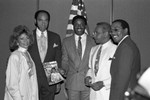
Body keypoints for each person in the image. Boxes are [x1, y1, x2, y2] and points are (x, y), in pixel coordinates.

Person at [28, 10, 62, 100]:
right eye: (40, 20)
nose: (43, 23)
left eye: (46, 20)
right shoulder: (28, 37)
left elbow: (57, 59)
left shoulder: (55, 37)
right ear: (35, 21)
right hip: (33, 78)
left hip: (50, 78)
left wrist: (57, 81)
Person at [61, 15, 96, 100]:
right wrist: (63, 70)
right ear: (73, 26)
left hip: (88, 82)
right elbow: (65, 60)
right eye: (77, 24)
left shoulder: (93, 41)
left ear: (85, 26)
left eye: (82, 24)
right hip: (72, 82)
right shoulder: (66, 41)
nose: (79, 26)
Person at [109, 19, 141, 100]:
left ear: (125, 30)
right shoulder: (125, 44)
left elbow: (122, 77)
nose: (113, 33)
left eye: (116, 29)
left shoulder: (125, 47)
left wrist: (116, 97)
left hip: (122, 94)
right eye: (111, 30)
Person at [4, 25, 38, 100]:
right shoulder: (14, 57)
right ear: (16, 41)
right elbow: (12, 85)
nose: (26, 41)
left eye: (27, 38)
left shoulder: (27, 54)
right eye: (22, 39)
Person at [85, 22, 117, 100]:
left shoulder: (116, 49)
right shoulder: (93, 49)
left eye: (96, 33)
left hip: (107, 93)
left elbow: (119, 74)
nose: (93, 35)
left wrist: (103, 83)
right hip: (93, 94)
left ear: (106, 34)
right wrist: (88, 76)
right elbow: (90, 68)